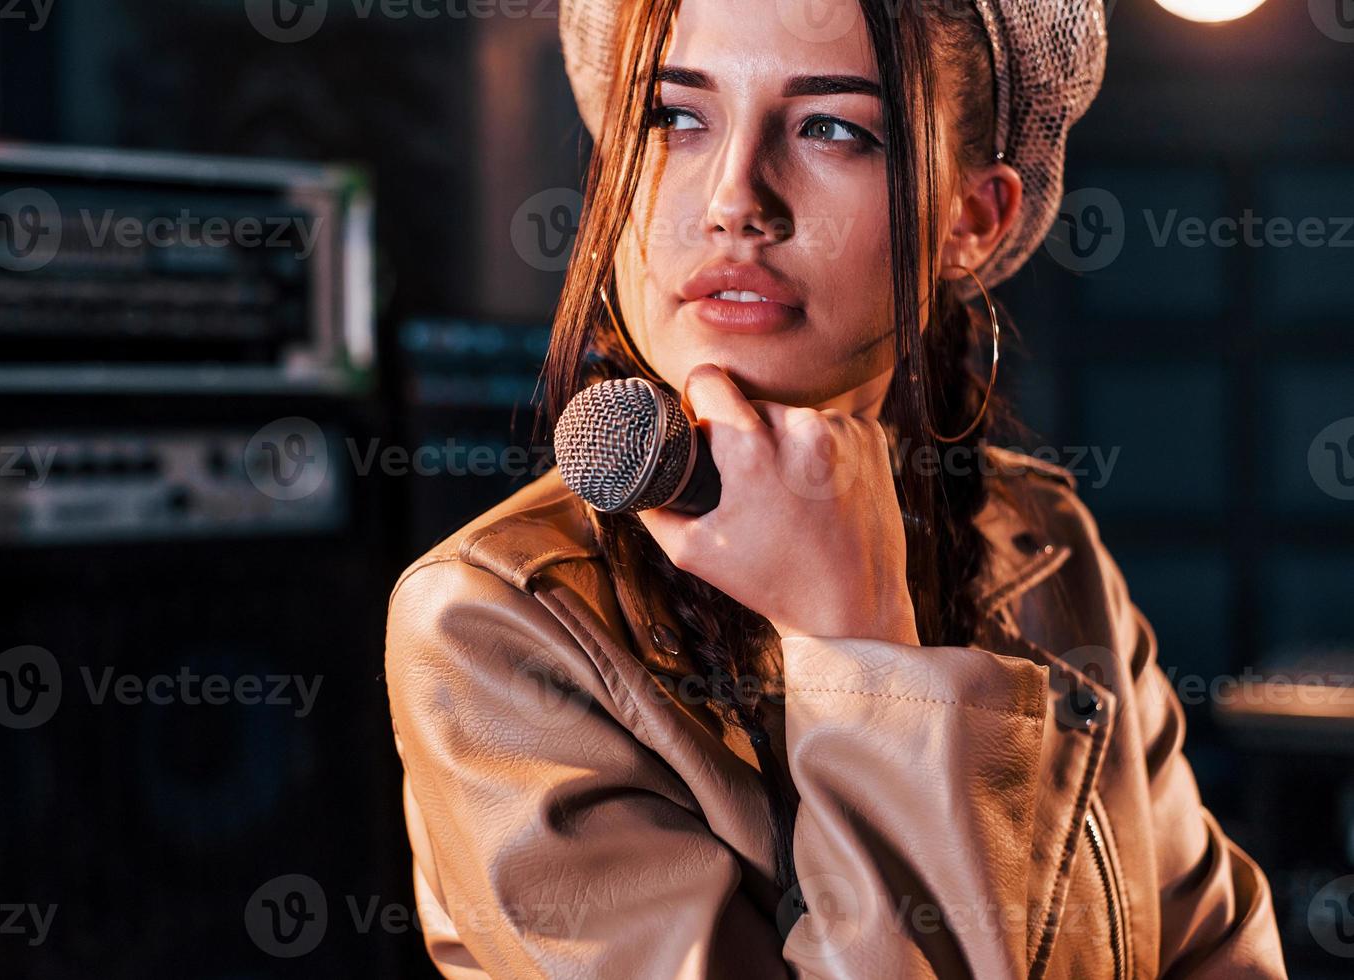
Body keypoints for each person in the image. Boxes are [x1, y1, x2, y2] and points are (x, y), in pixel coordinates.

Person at [384, 0, 1289, 974]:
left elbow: (1217, 950)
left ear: (971, 221)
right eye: (674, 117)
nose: (733, 198)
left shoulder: (1041, 537)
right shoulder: (494, 621)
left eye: (831, 129)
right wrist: (852, 640)